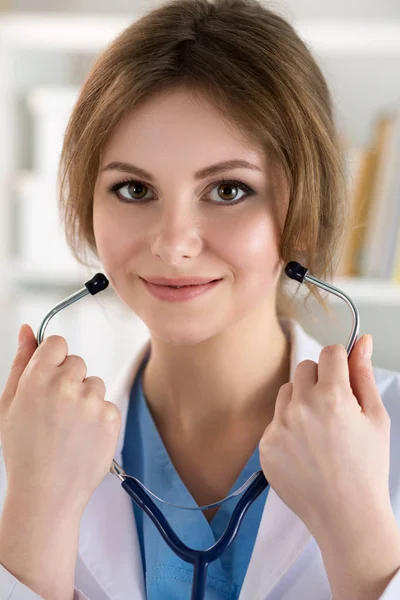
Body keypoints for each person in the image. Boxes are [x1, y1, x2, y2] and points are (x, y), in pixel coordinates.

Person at [0, 0, 400, 598]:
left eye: (228, 189)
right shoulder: (24, 449)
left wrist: (361, 536)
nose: (173, 244)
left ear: (304, 215)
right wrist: (36, 514)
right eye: (133, 189)